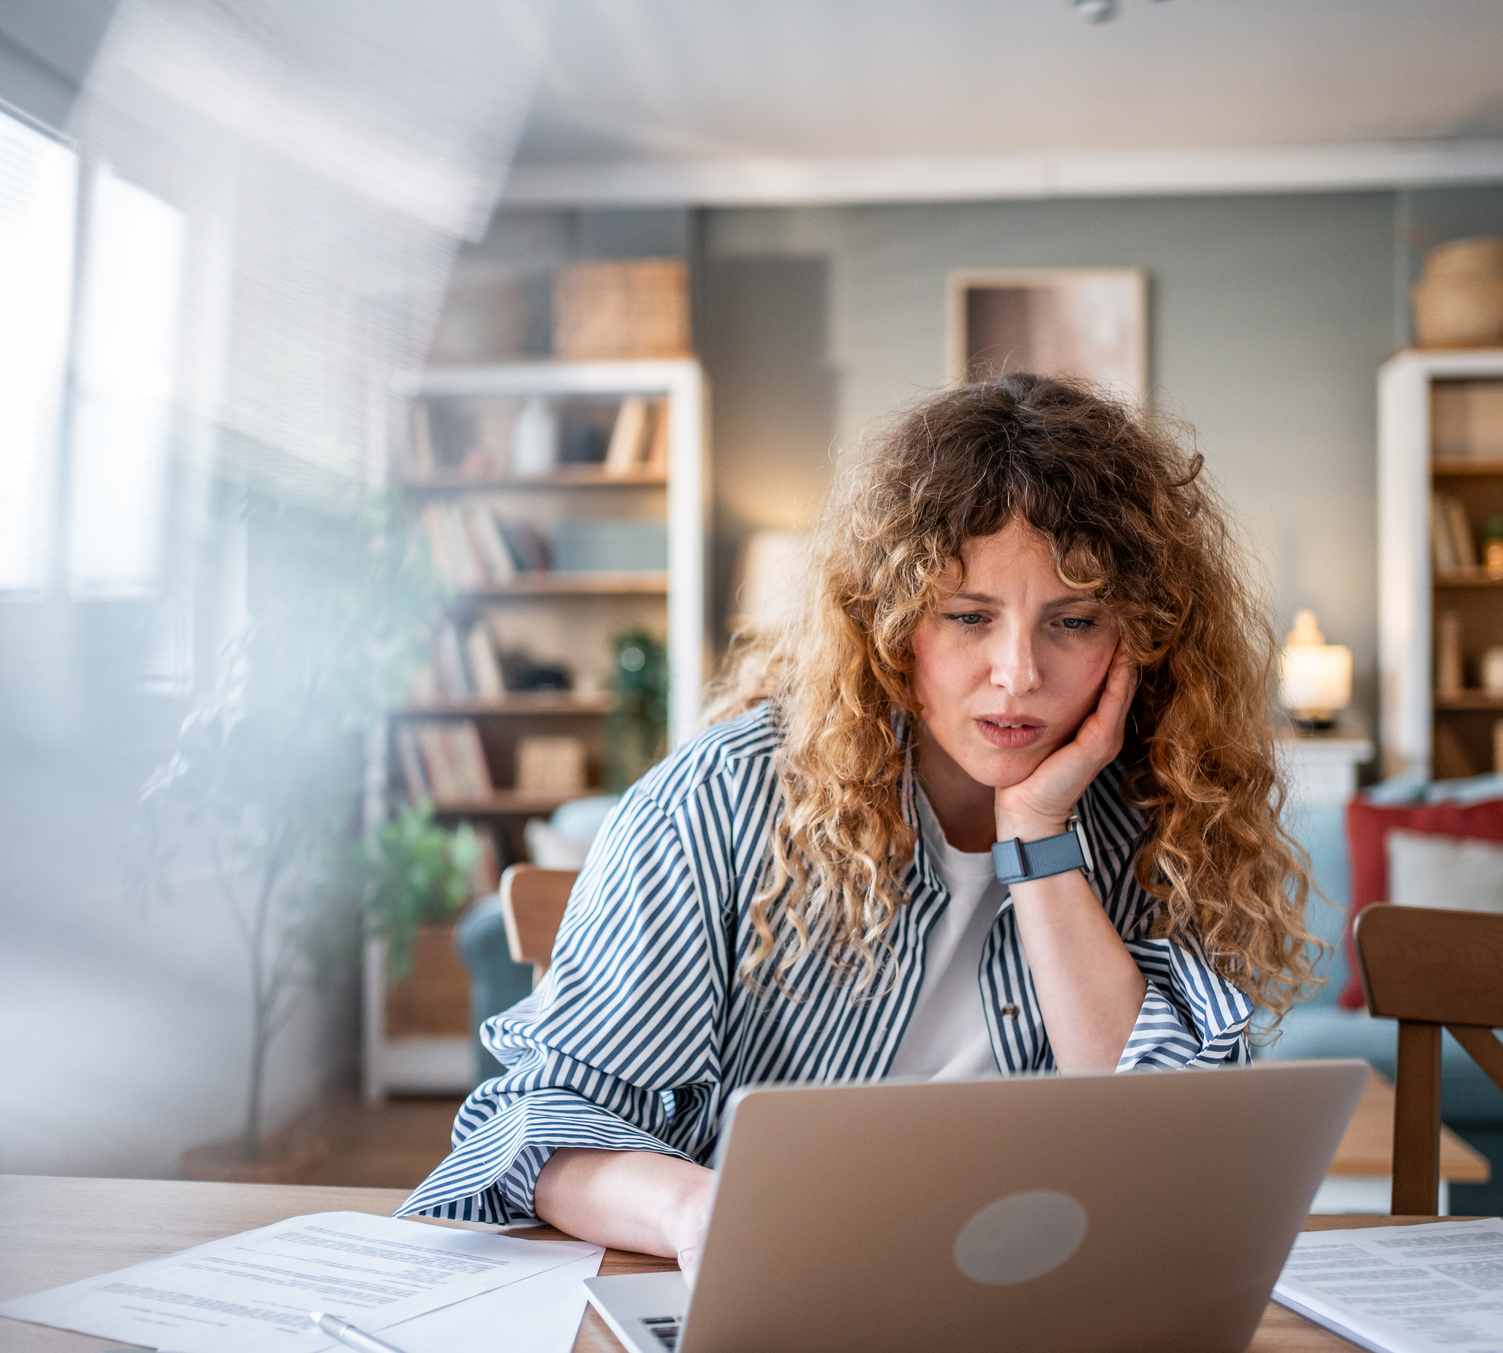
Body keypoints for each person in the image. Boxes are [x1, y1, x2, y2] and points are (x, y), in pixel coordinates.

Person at [398, 373, 1319, 1276]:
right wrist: (698, 1210)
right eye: (968, 617)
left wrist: (1038, 840)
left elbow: (1167, 1157)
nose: (1017, 674)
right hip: (781, 1285)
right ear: (889, 624)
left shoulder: (1158, 815)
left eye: (1071, 621)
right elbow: (539, 1129)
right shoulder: (724, 800)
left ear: (1139, 639)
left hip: (1035, 1302)